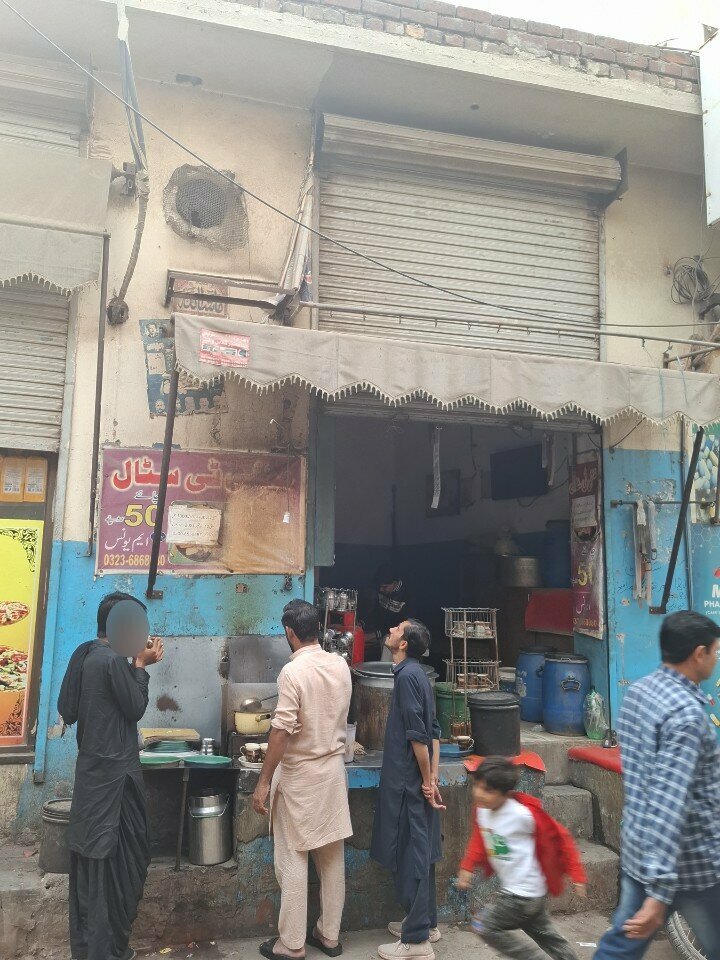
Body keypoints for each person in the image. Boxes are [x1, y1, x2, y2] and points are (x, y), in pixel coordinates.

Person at [593, 610, 720, 960]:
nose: (715, 658)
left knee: (620, 947)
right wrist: (660, 894)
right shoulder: (686, 716)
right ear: (699, 654)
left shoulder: (639, 692)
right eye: (715, 651)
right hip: (690, 863)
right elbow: (669, 803)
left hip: (640, 849)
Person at [57, 591, 164, 960]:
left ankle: (90, 949)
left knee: (90, 870)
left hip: (89, 777)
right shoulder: (112, 661)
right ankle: (108, 951)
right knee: (120, 867)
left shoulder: (83, 653)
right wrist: (140, 666)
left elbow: (67, 708)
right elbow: (134, 707)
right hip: (116, 781)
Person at [252, 599, 353, 960]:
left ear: (290, 632)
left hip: (301, 777)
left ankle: (291, 943)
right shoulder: (341, 665)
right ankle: (329, 935)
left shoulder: (292, 673)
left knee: (293, 858)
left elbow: (280, 731)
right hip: (332, 773)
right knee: (330, 856)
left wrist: (263, 781)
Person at [456, 757, 586, 960]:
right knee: (549, 938)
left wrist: (576, 874)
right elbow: (480, 839)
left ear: (505, 794)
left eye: (488, 790)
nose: (479, 794)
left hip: (522, 896)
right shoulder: (482, 810)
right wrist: (467, 866)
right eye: (477, 786)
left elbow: (560, 837)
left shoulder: (522, 814)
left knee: (485, 926)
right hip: (530, 894)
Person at [371, 619, 445, 960]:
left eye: (397, 629)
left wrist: (427, 780)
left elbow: (419, 735)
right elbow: (434, 731)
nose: (391, 629)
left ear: (403, 644)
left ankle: (415, 942)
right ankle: (425, 922)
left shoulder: (407, 677)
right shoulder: (417, 673)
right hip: (419, 779)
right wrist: (433, 776)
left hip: (408, 783)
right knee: (422, 849)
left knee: (412, 853)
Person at [358, 564, 412, 661]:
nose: (381, 590)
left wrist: (376, 634)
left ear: (395, 583)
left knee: (387, 641)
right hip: (380, 630)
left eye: (384, 587)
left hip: (399, 634)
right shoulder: (381, 591)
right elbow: (375, 613)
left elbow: (403, 626)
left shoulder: (407, 596)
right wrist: (362, 624)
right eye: (380, 586)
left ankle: (385, 673)